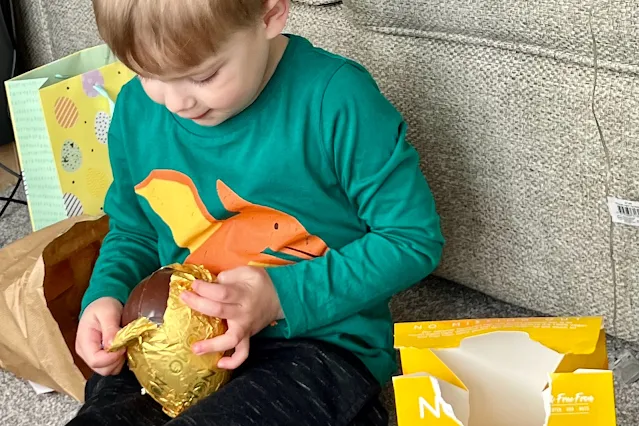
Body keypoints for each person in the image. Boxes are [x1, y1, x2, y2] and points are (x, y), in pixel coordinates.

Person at [68, 0, 444, 425]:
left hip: (315, 345)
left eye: (203, 75)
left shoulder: (336, 99)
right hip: (173, 340)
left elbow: (412, 239)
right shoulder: (138, 109)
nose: (175, 102)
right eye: (148, 73)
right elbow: (134, 231)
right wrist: (106, 295)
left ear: (270, 14)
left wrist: (278, 297)